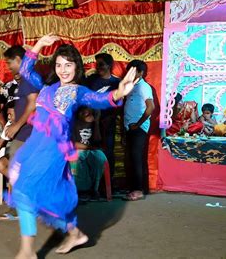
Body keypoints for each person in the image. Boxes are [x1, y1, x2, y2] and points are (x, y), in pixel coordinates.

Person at [8, 34, 138, 258]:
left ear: (76, 66)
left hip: (53, 151)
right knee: (41, 195)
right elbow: (26, 71)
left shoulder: (79, 91)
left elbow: (100, 100)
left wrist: (119, 92)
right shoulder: (47, 87)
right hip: (34, 147)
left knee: (24, 191)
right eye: (59, 65)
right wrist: (38, 45)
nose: (63, 69)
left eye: (68, 65)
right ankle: (74, 233)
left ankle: (27, 251)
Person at [0, 45, 39, 221]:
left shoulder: (28, 78)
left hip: (26, 133)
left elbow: (33, 104)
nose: (8, 66)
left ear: (19, 60)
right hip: (24, 133)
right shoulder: (26, 79)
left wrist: (16, 125)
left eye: (9, 62)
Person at [122, 59, 155, 202]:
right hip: (129, 127)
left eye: (134, 71)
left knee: (136, 158)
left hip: (138, 128)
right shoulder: (130, 86)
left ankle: (138, 190)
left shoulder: (143, 87)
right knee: (132, 158)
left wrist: (139, 124)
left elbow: (151, 107)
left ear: (141, 73)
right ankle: (136, 188)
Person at [85, 53, 121, 179]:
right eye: (96, 64)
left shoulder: (116, 82)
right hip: (90, 122)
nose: (98, 67)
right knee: (91, 152)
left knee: (108, 152)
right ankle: (91, 185)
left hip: (108, 122)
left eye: (101, 64)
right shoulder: (91, 80)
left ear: (109, 65)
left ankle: (107, 185)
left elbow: (119, 103)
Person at [70, 107, 106, 201]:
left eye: (88, 112)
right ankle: (82, 190)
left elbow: (97, 140)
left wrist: (96, 123)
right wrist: (89, 147)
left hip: (91, 150)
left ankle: (95, 189)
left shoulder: (95, 123)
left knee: (100, 158)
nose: (86, 113)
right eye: (84, 111)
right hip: (79, 149)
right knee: (77, 158)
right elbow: (73, 144)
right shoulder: (74, 124)